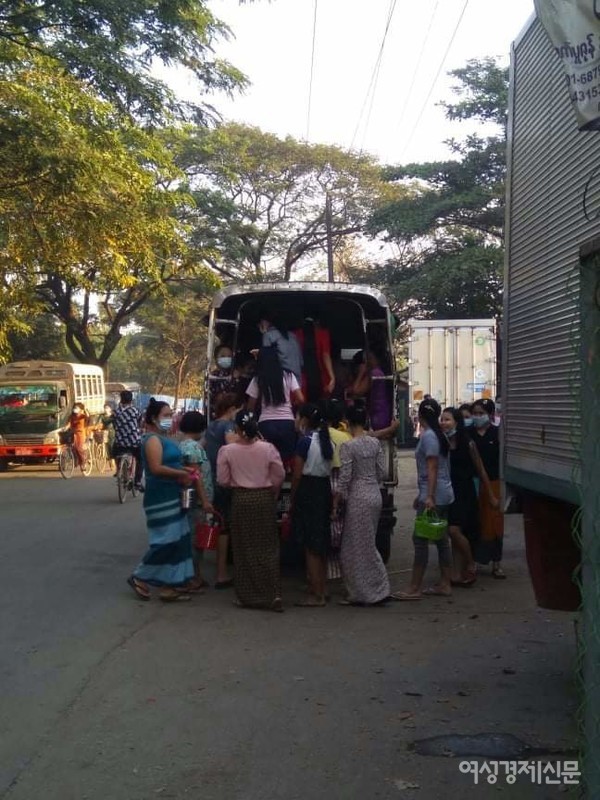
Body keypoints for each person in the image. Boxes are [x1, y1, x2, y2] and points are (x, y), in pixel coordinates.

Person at [127, 399, 198, 602]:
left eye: (171, 414)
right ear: (153, 418)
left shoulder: (164, 438)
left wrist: (186, 471)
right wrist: (180, 474)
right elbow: (156, 468)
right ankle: (140, 576)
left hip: (174, 492)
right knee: (166, 540)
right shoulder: (151, 440)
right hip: (160, 497)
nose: (170, 419)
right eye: (165, 415)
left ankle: (171, 584)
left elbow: (172, 462)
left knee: (180, 538)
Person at [217, 410, 285, 611]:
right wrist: (272, 489)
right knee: (268, 546)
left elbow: (222, 480)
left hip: (241, 499)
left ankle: (248, 597)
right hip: (264, 498)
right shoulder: (268, 448)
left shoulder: (227, 451)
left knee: (243, 547)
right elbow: (279, 475)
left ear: (237, 428)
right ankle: (273, 594)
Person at [394, 398, 454, 600]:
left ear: (420, 415)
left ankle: (414, 587)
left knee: (420, 540)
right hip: (443, 493)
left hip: (435, 495)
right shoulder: (439, 435)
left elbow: (432, 467)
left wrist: (428, 496)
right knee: (441, 539)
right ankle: (445, 583)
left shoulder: (429, 437)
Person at [333, 406, 391, 606]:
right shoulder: (375, 443)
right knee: (366, 543)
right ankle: (372, 590)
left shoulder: (349, 446)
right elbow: (382, 473)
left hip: (358, 497)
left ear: (347, 423)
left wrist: (337, 498)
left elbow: (345, 477)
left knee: (353, 548)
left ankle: (368, 591)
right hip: (374, 494)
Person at [440, 407, 497, 587]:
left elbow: (481, 470)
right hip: (448, 492)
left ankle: (471, 563)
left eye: (447, 419)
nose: (443, 423)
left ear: (457, 422)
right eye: (442, 419)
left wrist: (491, 496)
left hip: (464, 492)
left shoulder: (468, 443)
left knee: (454, 530)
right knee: (454, 534)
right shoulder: (442, 442)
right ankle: (456, 574)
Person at [291, 403, 333, 607]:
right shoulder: (327, 440)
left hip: (309, 489)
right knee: (321, 542)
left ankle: (316, 595)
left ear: (305, 420)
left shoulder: (304, 442)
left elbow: (297, 474)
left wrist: (293, 496)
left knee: (310, 546)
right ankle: (322, 587)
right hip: (324, 489)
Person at [246, 345, 304, 463]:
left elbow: (250, 405)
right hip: (287, 423)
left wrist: (252, 418)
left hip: (266, 424)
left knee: (267, 461)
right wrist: (293, 406)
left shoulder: (258, 379)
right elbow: (301, 399)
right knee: (283, 461)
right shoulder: (288, 375)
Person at [204, 392, 239, 589]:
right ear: (232, 409)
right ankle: (222, 573)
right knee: (225, 526)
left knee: (220, 524)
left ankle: (220, 571)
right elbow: (232, 444)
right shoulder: (228, 426)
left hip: (214, 478)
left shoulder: (212, 426)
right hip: (225, 481)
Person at [179, 411, 215, 590]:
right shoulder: (192, 449)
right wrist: (205, 501)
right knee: (195, 538)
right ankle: (192, 578)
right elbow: (196, 476)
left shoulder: (186, 445)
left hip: (189, 498)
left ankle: (196, 576)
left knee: (192, 536)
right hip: (196, 500)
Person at [471, 399, 504, 578]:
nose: (477, 417)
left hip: (494, 483)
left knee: (495, 524)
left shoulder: (497, 434)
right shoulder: (469, 434)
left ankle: (497, 564)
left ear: (490, 415)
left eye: (480, 413)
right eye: (475, 413)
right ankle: (474, 562)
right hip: (474, 483)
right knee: (477, 522)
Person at [324, 400, 352, 578]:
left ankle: (330, 571)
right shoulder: (346, 436)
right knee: (341, 529)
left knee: (329, 529)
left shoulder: (320, 435)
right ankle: (343, 570)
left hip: (326, 482)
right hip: (342, 483)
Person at [294, 317, 335, 402]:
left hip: (302, 378)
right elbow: (325, 355)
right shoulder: (323, 334)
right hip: (320, 377)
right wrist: (332, 377)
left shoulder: (295, 334)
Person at [258, 311, 303, 381]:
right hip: (297, 379)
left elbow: (266, 361)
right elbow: (300, 361)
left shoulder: (269, 335)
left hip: (281, 379)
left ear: (267, 322)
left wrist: (264, 333)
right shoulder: (293, 336)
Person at [113, 390, 144, 490]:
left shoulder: (116, 412)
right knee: (141, 459)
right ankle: (138, 481)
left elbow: (114, 425)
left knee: (115, 453)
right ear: (131, 400)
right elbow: (140, 423)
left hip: (120, 442)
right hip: (134, 441)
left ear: (121, 400)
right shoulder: (135, 411)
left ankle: (119, 470)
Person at [208, 344, 243, 417]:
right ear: (216, 358)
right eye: (223, 356)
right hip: (217, 415)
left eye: (229, 356)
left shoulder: (237, 375)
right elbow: (215, 397)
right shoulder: (212, 376)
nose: (226, 358)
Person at [68, 402, 90, 475]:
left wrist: (85, 410)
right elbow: (68, 424)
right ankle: (76, 461)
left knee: (79, 448)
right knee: (72, 447)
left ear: (80, 409)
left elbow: (88, 417)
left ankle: (83, 462)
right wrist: (65, 428)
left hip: (81, 433)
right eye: (74, 408)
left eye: (77, 408)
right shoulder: (71, 416)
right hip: (73, 433)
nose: (75, 409)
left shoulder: (83, 416)